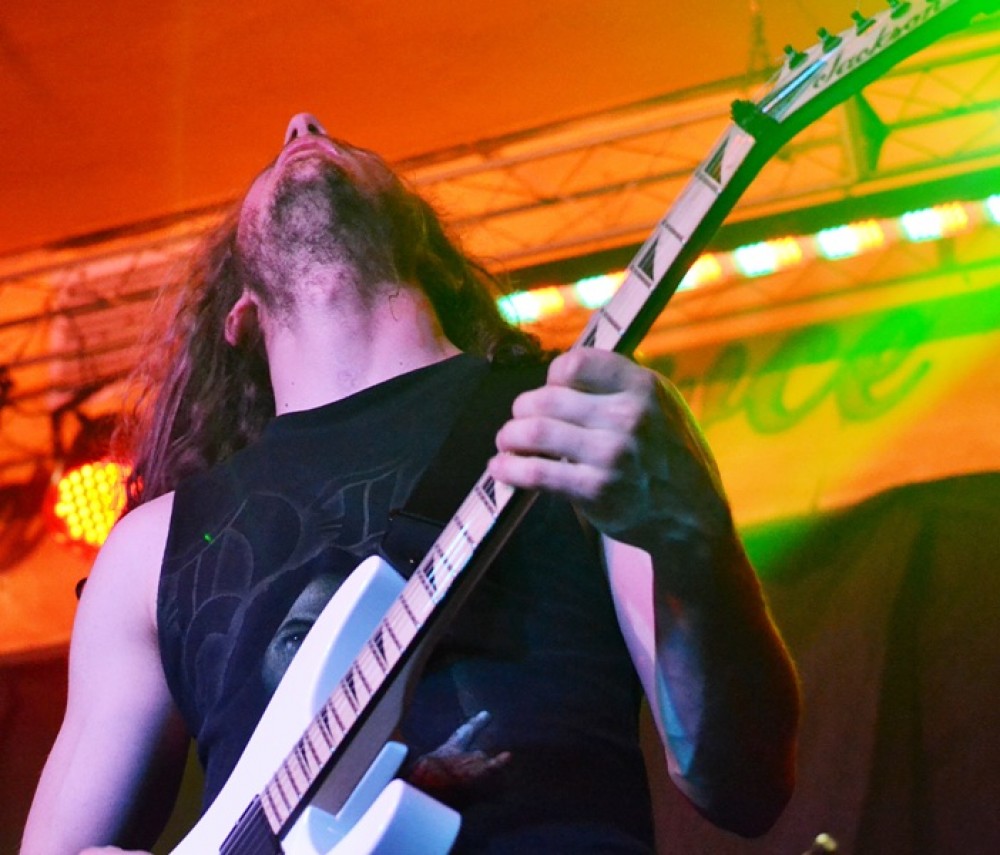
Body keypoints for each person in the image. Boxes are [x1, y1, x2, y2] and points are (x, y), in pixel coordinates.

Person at [21, 113, 799, 854]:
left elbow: (740, 783)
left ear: (422, 239)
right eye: (281, 142)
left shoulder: (572, 417)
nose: (303, 122)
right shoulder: (153, 546)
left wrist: (693, 538)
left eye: (337, 135)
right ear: (239, 311)